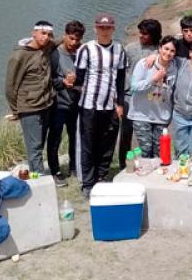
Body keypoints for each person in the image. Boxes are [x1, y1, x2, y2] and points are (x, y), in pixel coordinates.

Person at [74, 13, 127, 198]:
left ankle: (102, 176)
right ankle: (88, 183)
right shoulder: (86, 49)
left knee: (107, 143)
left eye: (108, 27)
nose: (105, 31)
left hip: (110, 106)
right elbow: (78, 78)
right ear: (96, 28)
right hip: (89, 105)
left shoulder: (119, 49)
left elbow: (120, 79)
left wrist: (120, 103)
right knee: (88, 144)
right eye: (101, 27)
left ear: (113, 29)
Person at [5, 20, 57, 177]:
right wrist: (16, 110)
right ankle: (39, 179)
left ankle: (36, 174)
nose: (46, 37)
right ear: (33, 33)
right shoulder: (19, 56)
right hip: (29, 108)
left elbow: (60, 41)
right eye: (43, 33)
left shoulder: (46, 48)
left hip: (46, 104)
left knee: (39, 145)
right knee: (34, 147)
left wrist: (74, 38)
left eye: (49, 35)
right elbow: (10, 87)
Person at [129, 36, 179, 159]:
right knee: (145, 151)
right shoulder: (144, 63)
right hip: (141, 115)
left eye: (172, 51)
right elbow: (134, 87)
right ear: (159, 48)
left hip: (162, 117)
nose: (168, 53)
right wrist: (153, 79)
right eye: (166, 49)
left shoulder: (175, 68)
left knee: (159, 153)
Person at [47, 20, 85, 186]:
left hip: (77, 104)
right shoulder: (54, 54)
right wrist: (63, 83)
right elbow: (48, 79)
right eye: (71, 38)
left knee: (75, 137)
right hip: (58, 104)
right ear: (65, 36)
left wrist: (78, 82)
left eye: (77, 39)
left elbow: (86, 76)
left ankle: (74, 167)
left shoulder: (82, 53)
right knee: (55, 138)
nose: (74, 43)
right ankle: (55, 171)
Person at [121, 18, 161, 165]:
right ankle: (123, 163)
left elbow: (172, 52)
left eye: (145, 34)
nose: (141, 36)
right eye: (140, 32)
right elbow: (121, 71)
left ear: (154, 35)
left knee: (149, 134)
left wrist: (156, 54)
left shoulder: (161, 49)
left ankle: (150, 162)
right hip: (129, 96)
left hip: (151, 98)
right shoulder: (130, 48)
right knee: (126, 133)